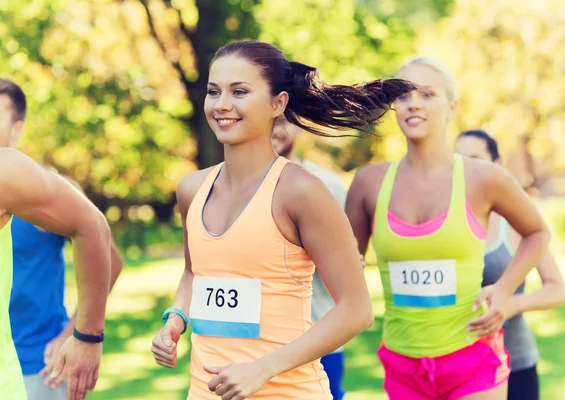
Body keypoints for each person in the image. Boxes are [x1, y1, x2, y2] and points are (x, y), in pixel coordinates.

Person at [150, 39, 416, 399]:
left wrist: (261, 369)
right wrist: (175, 320)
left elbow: (357, 310)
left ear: (279, 103)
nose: (222, 104)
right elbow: (194, 272)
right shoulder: (191, 189)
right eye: (214, 92)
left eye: (239, 91)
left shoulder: (302, 192)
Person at [345, 57, 551, 400]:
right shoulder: (368, 183)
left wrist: (503, 291)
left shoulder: (484, 178)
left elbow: (538, 233)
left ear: (451, 106)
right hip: (401, 363)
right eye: (403, 94)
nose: (413, 103)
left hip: (473, 359)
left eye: (427, 94)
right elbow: (346, 264)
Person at [7, 89, 124, 400]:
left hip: (37, 362)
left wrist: (79, 333)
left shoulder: (37, 186)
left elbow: (104, 247)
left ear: (17, 127)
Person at [454, 129, 565, 400]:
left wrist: (509, 304)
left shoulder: (515, 223)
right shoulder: (439, 219)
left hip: (515, 362)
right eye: (457, 161)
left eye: (474, 159)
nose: (465, 169)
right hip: (452, 364)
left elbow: (557, 288)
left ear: (497, 164)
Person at [272, 115, 348, 400]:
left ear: (300, 126)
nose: (273, 128)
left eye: (282, 120)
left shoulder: (329, 186)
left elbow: (349, 265)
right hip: (253, 342)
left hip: (318, 337)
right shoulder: (229, 187)